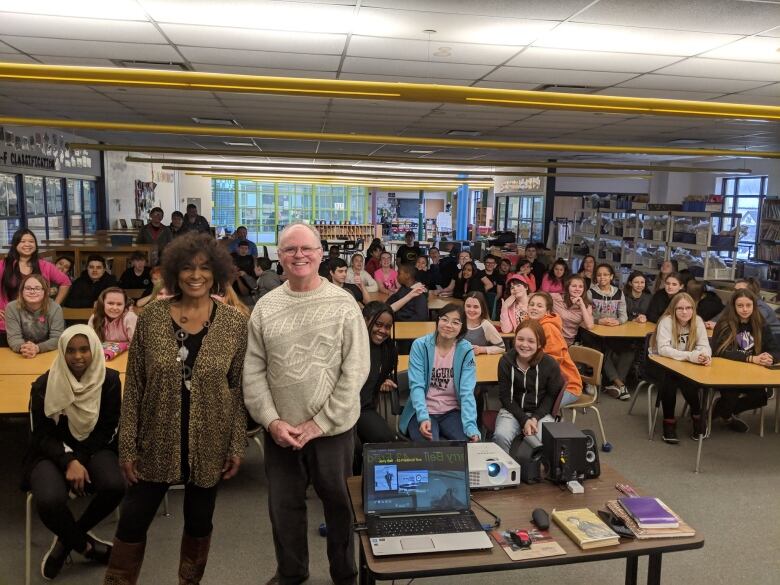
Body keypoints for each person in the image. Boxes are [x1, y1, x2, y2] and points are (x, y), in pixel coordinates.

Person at [103, 233, 248, 585]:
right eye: (186, 267)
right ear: (173, 273)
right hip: (155, 437)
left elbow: (237, 388)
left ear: (216, 273)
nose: (195, 275)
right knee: (133, 520)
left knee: (199, 522)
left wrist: (236, 444)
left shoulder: (234, 324)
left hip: (209, 440)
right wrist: (127, 445)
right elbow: (135, 385)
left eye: (203, 268)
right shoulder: (151, 318)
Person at [243, 223, 369, 585]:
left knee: (339, 506)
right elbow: (253, 372)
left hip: (332, 430)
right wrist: (271, 421)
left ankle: (345, 574)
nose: (299, 255)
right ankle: (292, 571)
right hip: (282, 431)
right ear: (279, 256)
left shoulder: (343, 303)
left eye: (306, 249)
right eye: (289, 249)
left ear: (320, 254)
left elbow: (356, 370)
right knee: (284, 509)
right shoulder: (265, 307)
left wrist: (321, 423)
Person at [22, 325, 124, 580]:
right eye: (71, 350)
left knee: (114, 486)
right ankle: (86, 546)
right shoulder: (44, 384)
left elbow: (108, 429)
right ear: (62, 352)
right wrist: (68, 460)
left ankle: (67, 540)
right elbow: (41, 436)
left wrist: (79, 459)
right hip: (51, 451)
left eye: (84, 349)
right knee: (48, 500)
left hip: (93, 447)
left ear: (94, 351)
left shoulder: (109, 380)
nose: (78, 356)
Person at [399, 303, 480, 443]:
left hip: (452, 411)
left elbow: (467, 392)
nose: (449, 325)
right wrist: (423, 417)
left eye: (456, 322)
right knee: (432, 450)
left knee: (468, 447)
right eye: (444, 319)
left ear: (462, 327)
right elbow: (416, 385)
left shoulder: (466, 350)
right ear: (437, 321)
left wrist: (470, 426)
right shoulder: (420, 345)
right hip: (423, 410)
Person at [710, 289, 780, 433]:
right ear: (733, 307)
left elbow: (775, 349)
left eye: (748, 305)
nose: (745, 309)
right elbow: (720, 351)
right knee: (731, 397)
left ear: (754, 306)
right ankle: (727, 414)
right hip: (725, 373)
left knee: (761, 398)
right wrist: (751, 358)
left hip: (751, 375)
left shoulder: (761, 324)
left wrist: (770, 357)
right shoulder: (724, 324)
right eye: (740, 306)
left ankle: (723, 410)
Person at [493, 320, 565, 453]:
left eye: (531, 341)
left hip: (541, 413)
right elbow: (505, 397)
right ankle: (505, 471)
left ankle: (536, 472)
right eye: (520, 339)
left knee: (541, 439)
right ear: (515, 340)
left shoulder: (550, 364)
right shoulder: (505, 361)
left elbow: (550, 397)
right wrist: (524, 420)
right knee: (501, 436)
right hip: (512, 410)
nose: (525, 345)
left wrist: (534, 418)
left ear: (539, 344)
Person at [650, 292, 711, 443]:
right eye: (680, 308)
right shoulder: (666, 322)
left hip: (686, 364)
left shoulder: (698, 321)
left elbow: (704, 345)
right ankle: (669, 421)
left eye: (689, 308)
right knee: (670, 380)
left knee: (688, 380)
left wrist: (704, 356)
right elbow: (663, 349)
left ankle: (697, 416)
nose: (685, 312)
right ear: (673, 309)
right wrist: (691, 356)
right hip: (661, 363)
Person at [0, 229, 70, 346]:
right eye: (22, 241)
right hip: (8, 323)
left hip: (39, 325)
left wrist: (55, 305)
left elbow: (65, 282)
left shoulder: (45, 265)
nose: (27, 244)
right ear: (15, 244)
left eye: (31, 241)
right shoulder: (3, 265)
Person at [355, 302, 400, 474]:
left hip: (364, 408)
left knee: (387, 441)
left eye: (388, 327)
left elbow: (380, 372)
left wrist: (383, 379)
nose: (383, 331)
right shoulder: (353, 343)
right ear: (365, 320)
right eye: (378, 324)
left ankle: (378, 490)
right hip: (341, 408)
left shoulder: (387, 350)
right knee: (354, 450)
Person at [526, 292, 583, 405]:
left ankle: (554, 421)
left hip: (567, 386)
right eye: (531, 304)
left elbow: (552, 363)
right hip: (544, 383)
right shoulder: (529, 324)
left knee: (534, 406)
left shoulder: (548, 328)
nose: (534, 308)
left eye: (539, 306)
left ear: (547, 312)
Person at [587, 263, 631, 401]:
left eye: (605, 274)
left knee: (629, 351)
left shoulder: (619, 292)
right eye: (599, 275)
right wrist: (598, 321)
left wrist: (618, 321)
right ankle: (620, 384)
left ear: (611, 276)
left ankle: (615, 383)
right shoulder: (590, 293)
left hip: (614, 332)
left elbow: (624, 315)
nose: (602, 277)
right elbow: (585, 316)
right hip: (596, 333)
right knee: (602, 352)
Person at [5, 274, 64, 357]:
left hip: (48, 352)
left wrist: (37, 348)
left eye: (37, 288)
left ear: (45, 291)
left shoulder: (55, 308)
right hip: (22, 353)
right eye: (28, 288)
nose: (32, 291)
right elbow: (14, 337)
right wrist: (24, 348)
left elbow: (57, 338)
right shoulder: (11, 307)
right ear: (22, 291)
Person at [88, 287, 137, 360]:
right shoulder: (95, 317)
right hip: (101, 358)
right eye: (110, 303)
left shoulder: (130, 318)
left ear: (124, 305)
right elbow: (90, 343)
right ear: (102, 303)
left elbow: (136, 346)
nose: (115, 307)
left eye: (119, 304)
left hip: (127, 359)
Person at [552, 275, 594, 345]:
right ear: (567, 287)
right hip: (552, 339)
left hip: (568, 343)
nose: (577, 289)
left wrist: (582, 305)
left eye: (581, 287)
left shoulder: (587, 306)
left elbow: (589, 326)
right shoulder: (556, 298)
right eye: (574, 286)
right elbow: (534, 296)